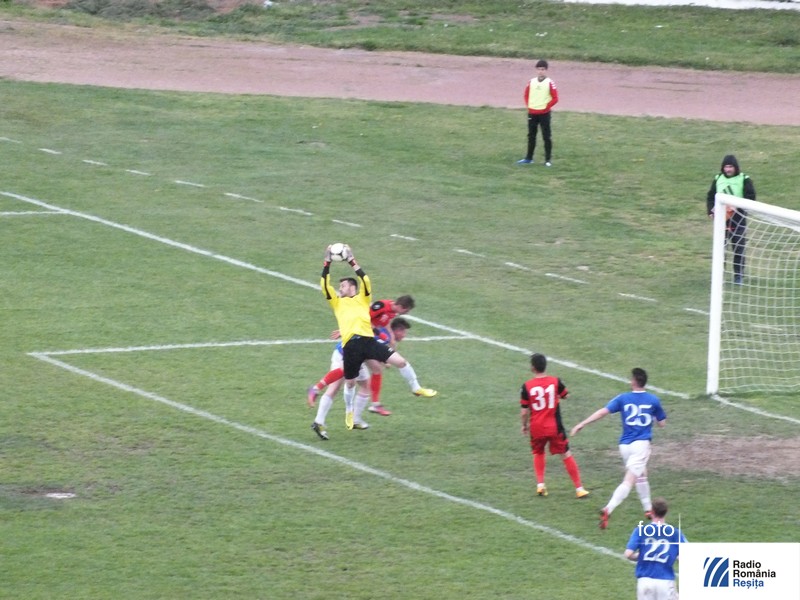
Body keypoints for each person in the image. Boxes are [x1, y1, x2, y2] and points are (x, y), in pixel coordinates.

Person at [319, 244, 436, 431]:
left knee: (400, 361)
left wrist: (352, 260)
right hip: (351, 346)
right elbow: (325, 284)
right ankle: (349, 411)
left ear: (352, 287)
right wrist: (327, 262)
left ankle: (416, 387)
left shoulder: (363, 298)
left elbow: (365, 279)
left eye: (343, 285)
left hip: (369, 341)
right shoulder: (337, 302)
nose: (340, 288)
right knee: (350, 383)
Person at [570, 367, 666, 530]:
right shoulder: (653, 400)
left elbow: (602, 412)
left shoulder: (623, 398)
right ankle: (608, 508)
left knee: (641, 474)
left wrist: (582, 424)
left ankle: (648, 509)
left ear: (634, 381)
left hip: (624, 446)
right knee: (629, 480)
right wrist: (654, 416)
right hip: (641, 445)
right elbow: (662, 423)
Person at [307, 295, 416, 417]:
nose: (404, 335)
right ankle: (316, 391)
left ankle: (370, 408)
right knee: (341, 380)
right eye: (403, 332)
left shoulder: (389, 316)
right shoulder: (382, 313)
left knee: (371, 373)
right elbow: (363, 319)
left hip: (361, 346)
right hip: (350, 347)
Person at [309, 318, 412, 440]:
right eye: (403, 332)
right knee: (335, 387)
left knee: (364, 385)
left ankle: (354, 419)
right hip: (344, 355)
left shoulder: (382, 336)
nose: (404, 335)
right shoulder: (383, 338)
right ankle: (319, 416)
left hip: (357, 357)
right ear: (397, 330)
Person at [520, 353, 590, 499]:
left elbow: (524, 411)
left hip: (536, 427)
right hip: (554, 426)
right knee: (566, 454)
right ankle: (579, 488)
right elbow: (566, 395)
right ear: (545, 366)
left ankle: (540, 485)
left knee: (538, 452)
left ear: (533, 368)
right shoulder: (555, 381)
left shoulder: (527, 386)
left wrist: (524, 426)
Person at [705, 154, 755, 285]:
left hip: (738, 220)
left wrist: (737, 206)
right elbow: (710, 197)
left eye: (730, 167)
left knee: (738, 248)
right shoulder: (718, 179)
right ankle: (719, 275)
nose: (728, 169)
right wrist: (710, 211)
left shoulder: (744, 179)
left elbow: (751, 198)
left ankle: (738, 275)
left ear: (735, 167)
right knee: (720, 249)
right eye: (726, 167)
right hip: (721, 220)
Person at [624, 498, 686, 600]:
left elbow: (628, 554)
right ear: (666, 512)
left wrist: (640, 556)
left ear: (652, 512)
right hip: (665, 582)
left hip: (644, 582)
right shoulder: (676, 533)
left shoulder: (640, 530)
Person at [517, 59, 558, 167]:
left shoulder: (550, 83)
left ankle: (548, 160)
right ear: (536, 70)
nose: (541, 71)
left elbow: (555, 98)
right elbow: (526, 95)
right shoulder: (531, 82)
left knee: (546, 136)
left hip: (544, 114)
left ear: (546, 70)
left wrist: (546, 107)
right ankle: (529, 158)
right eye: (539, 69)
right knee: (531, 136)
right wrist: (529, 106)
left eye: (543, 69)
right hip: (532, 113)